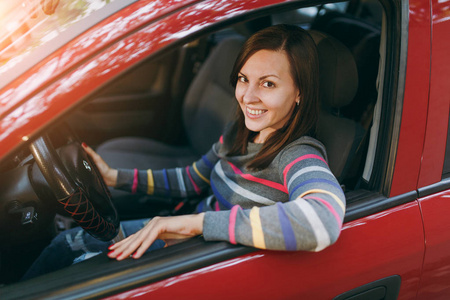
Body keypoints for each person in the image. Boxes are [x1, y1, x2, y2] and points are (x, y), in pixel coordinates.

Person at [23, 24, 346, 278]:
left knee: (69, 251)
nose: (247, 96)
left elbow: (322, 222)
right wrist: (113, 177)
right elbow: (192, 179)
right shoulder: (241, 131)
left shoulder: (299, 155)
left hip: (204, 254)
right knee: (67, 243)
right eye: (244, 79)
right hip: (190, 234)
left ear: (300, 92)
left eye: (268, 84)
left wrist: (194, 224)